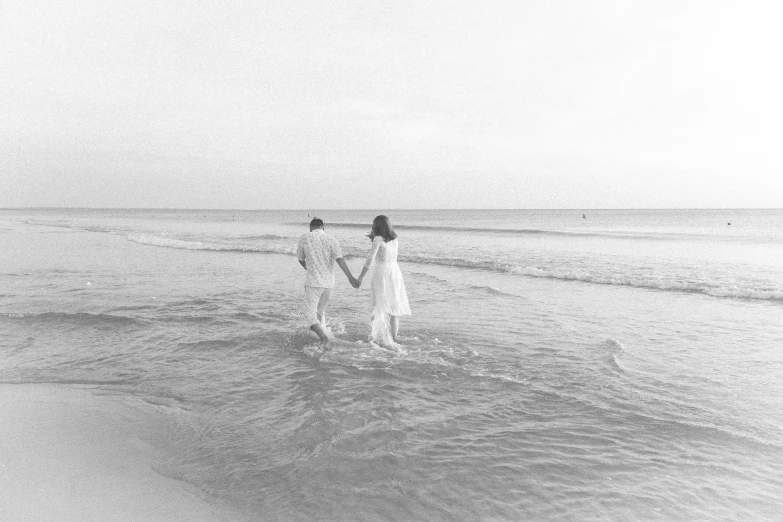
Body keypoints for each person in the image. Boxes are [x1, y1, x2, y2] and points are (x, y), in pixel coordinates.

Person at [297, 218, 357, 343]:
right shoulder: (331, 239)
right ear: (323, 227)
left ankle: (323, 338)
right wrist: (350, 277)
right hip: (329, 284)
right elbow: (340, 259)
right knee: (320, 311)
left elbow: (301, 258)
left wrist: (306, 266)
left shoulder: (305, 237)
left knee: (309, 315)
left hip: (313, 283)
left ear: (310, 228)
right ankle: (322, 335)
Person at [355, 215, 411, 345]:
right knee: (393, 308)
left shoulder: (377, 239)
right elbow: (385, 251)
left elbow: (371, 259)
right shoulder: (395, 239)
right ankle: (394, 338)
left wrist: (360, 277)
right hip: (395, 272)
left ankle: (375, 337)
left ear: (376, 227)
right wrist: (373, 239)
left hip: (382, 273)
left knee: (378, 305)